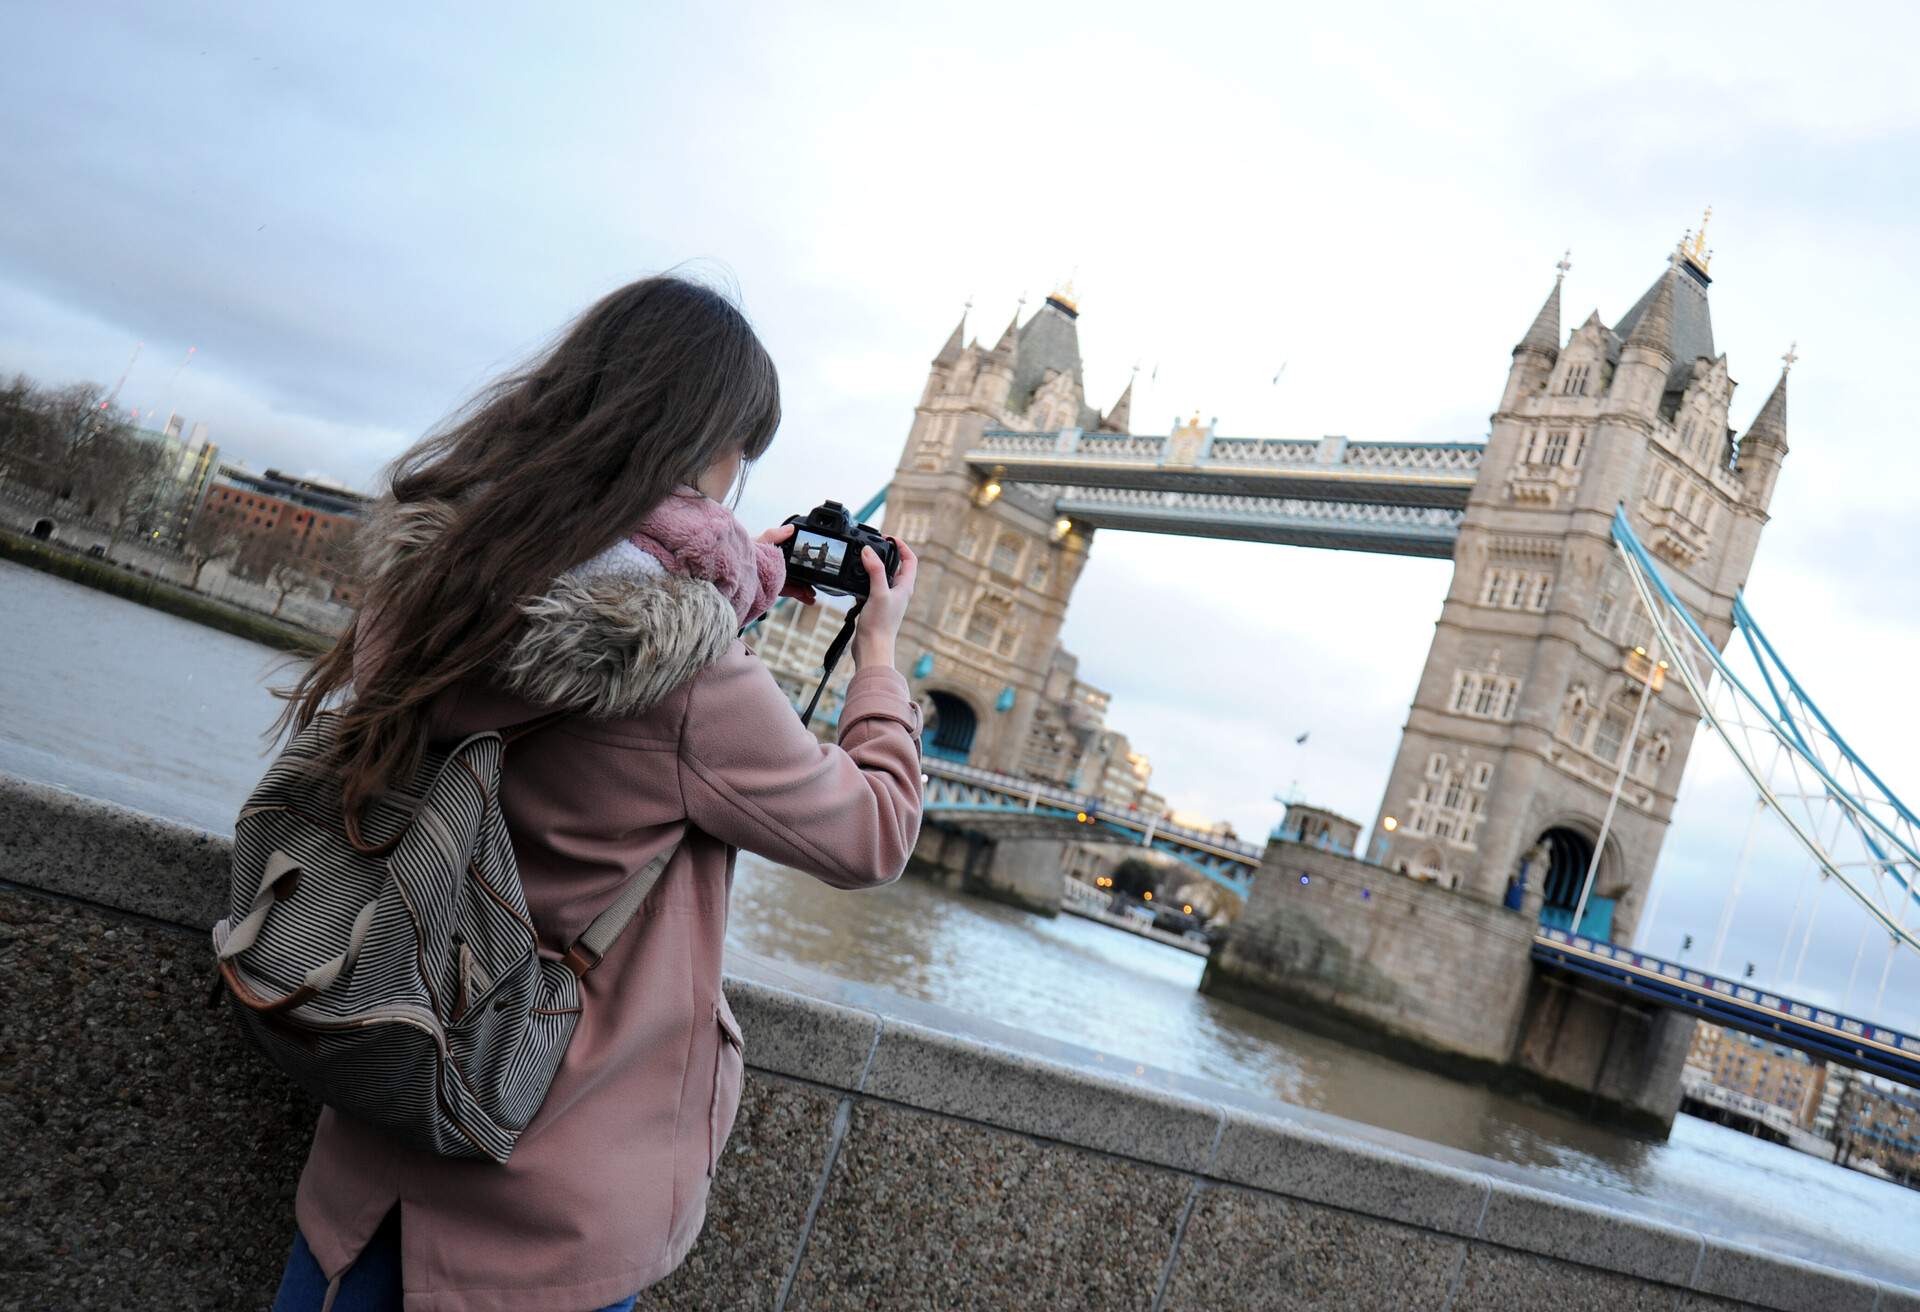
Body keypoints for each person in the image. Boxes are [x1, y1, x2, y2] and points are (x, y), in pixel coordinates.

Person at [268, 274, 924, 1311]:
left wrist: (733, 580)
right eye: (737, 454)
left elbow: (599, 609)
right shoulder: (696, 684)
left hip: (367, 1163)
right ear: (705, 442)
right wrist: (880, 661)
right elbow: (875, 831)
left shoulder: (441, 575)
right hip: (541, 1219)